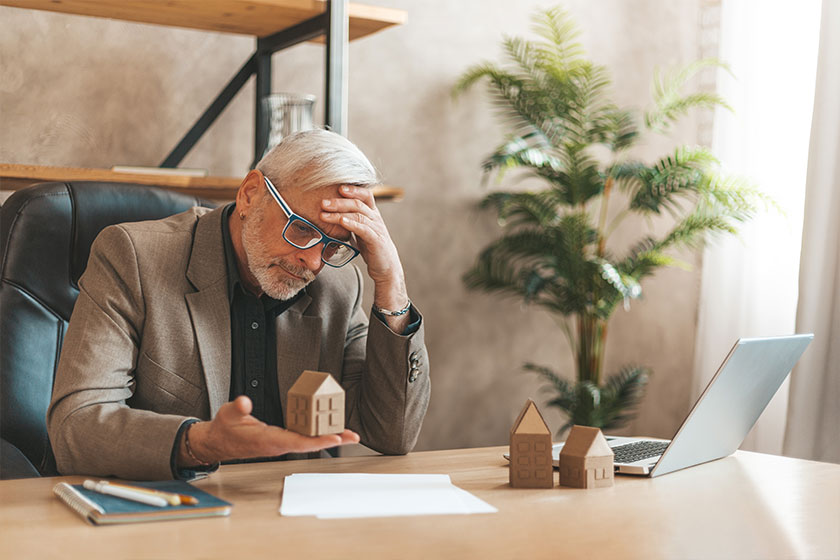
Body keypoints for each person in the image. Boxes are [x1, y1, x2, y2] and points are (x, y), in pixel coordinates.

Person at [47, 129, 430, 480]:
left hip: (297, 523)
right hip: (176, 518)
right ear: (250, 194)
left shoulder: (338, 284)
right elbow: (75, 428)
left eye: (333, 245)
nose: (314, 262)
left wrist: (391, 284)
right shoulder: (133, 258)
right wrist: (198, 442)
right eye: (301, 228)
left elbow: (392, 433)